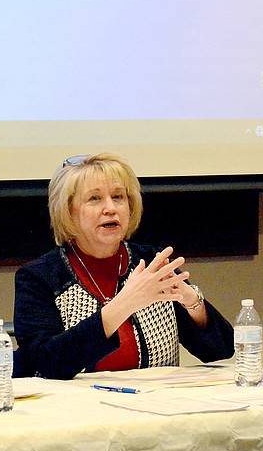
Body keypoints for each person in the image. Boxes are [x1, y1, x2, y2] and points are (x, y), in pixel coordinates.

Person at [13, 153, 234, 379]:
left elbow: (220, 350)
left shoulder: (151, 265)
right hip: (74, 409)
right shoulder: (39, 277)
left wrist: (192, 302)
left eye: (118, 197)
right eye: (94, 199)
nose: (110, 208)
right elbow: (47, 363)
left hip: (154, 406)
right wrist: (126, 303)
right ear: (69, 210)